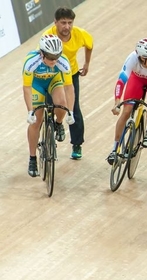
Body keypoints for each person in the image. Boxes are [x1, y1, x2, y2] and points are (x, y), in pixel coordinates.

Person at [107, 38, 147, 165]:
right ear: (142, 58)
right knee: (126, 111)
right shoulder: (132, 58)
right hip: (137, 79)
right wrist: (117, 101)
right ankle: (114, 149)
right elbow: (121, 80)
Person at [43, 7, 93, 160]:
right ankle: (50, 137)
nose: (67, 27)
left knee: (73, 108)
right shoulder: (47, 36)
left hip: (70, 74)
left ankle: (77, 144)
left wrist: (86, 63)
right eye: (63, 23)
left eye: (70, 23)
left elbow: (89, 46)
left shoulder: (80, 34)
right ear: (55, 22)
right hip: (51, 75)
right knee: (49, 106)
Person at [23, 35, 75, 176]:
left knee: (61, 103)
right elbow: (27, 88)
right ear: (42, 53)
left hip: (54, 81)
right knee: (36, 121)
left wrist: (70, 111)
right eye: (51, 57)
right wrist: (30, 111)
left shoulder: (62, 62)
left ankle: (58, 124)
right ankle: (32, 158)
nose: (54, 60)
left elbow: (69, 88)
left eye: (57, 56)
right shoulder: (31, 61)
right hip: (36, 85)